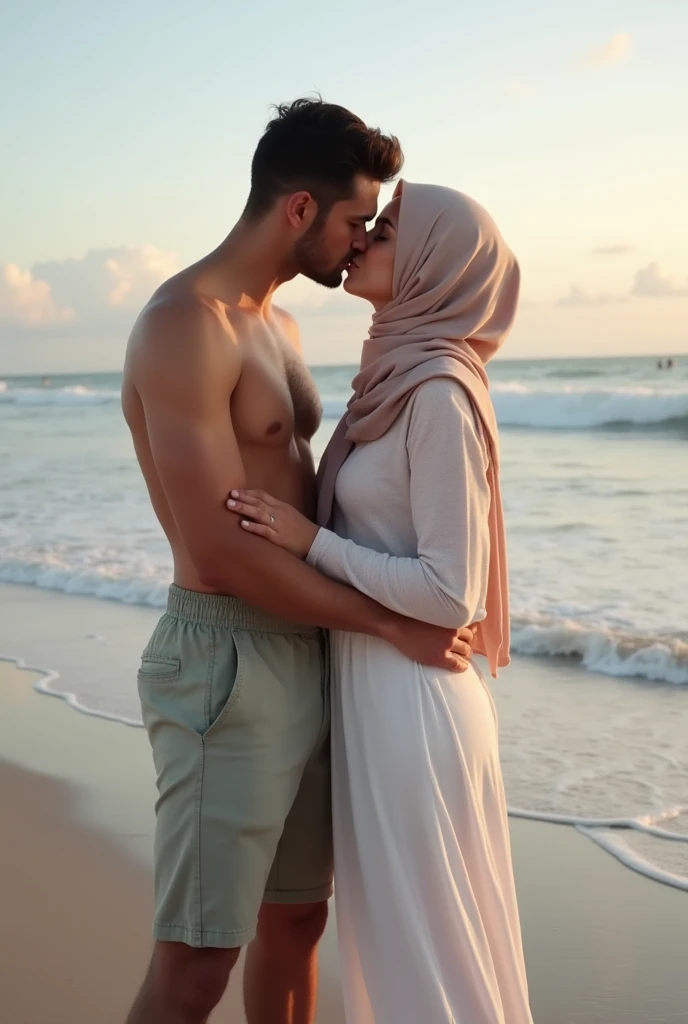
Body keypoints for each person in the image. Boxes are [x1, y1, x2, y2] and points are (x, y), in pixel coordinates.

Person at [121, 103, 476, 1024]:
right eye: (358, 222)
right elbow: (218, 551)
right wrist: (391, 621)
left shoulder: (273, 323)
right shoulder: (186, 324)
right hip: (226, 663)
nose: (361, 243)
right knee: (199, 957)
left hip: (312, 653)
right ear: (300, 210)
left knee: (296, 926)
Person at [229, 182, 534, 1022]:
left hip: (415, 708)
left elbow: (449, 590)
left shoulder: (436, 395)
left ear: (435, 266)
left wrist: (310, 542)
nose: (361, 241)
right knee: (412, 956)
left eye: (387, 232)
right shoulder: (393, 380)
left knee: (426, 966)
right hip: (380, 695)